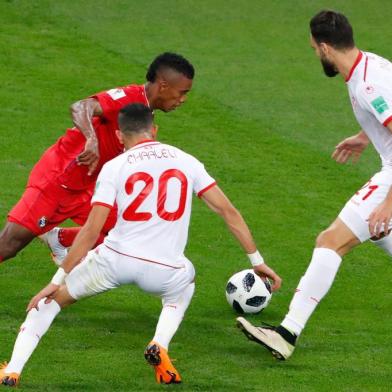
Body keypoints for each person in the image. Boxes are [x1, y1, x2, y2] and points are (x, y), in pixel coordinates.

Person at [0, 104, 281, 387]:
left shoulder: (114, 167)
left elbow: (91, 229)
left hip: (114, 261)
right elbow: (228, 212)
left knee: (51, 302)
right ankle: (160, 344)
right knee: (186, 283)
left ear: (120, 136)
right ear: (155, 129)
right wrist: (256, 260)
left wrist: (57, 279)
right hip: (164, 270)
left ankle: (13, 370)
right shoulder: (187, 161)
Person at [237, 9, 392, 360]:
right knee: (382, 234)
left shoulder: (367, 84)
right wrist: (366, 134)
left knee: (330, 241)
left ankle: (287, 333)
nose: (315, 55)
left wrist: (389, 202)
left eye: (313, 49)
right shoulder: (370, 65)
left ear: (324, 48)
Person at [0, 52, 194, 265]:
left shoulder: (145, 109)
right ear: (164, 86)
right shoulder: (128, 98)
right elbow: (81, 106)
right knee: (10, 244)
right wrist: (91, 139)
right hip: (58, 179)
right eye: (182, 92)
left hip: (89, 186)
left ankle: (60, 239)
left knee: (127, 229)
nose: (183, 100)